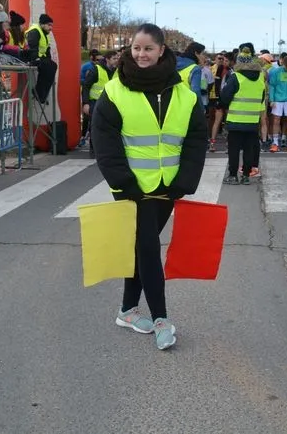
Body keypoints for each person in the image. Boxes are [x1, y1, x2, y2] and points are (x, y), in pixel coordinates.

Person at [90, 23, 208, 351]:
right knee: (147, 248)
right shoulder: (115, 90)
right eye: (136, 48)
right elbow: (104, 139)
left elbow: (196, 138)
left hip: (167, 186)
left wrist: (185, 180)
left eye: (148, 49)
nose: (141, 54)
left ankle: (127, 310)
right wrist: (123, 182)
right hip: (131, 188)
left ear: (161, 50)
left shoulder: (183, 93)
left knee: (141, 248)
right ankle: (161, 319)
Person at [220, 44, 266, 184]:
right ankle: (246, 176)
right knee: (249, 149)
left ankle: (233, 176)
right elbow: (262, 98)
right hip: (253, 121)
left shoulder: (236, 77)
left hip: (235, 120)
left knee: (234, 150)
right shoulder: (260, 78)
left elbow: (225, 97)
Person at [267, 55, 287, 152]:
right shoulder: (276, 71)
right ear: (283, 64)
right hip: (277, 99)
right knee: (276, 120)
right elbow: (272, 86)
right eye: (286, 67)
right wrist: (272, 100)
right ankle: (275, 144)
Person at [23, 14, 58, 103]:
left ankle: (41, 93)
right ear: (42, 24)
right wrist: (36, 59)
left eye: (51, 25)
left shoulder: (44, 34)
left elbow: (46, 50)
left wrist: (48, 60)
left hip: (39, 58)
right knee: (48, 67)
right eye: (49, 25)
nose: (51, 28)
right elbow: (32, 47)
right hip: (30, 57)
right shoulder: (35, 31)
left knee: (52, 66)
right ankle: (39, 93)